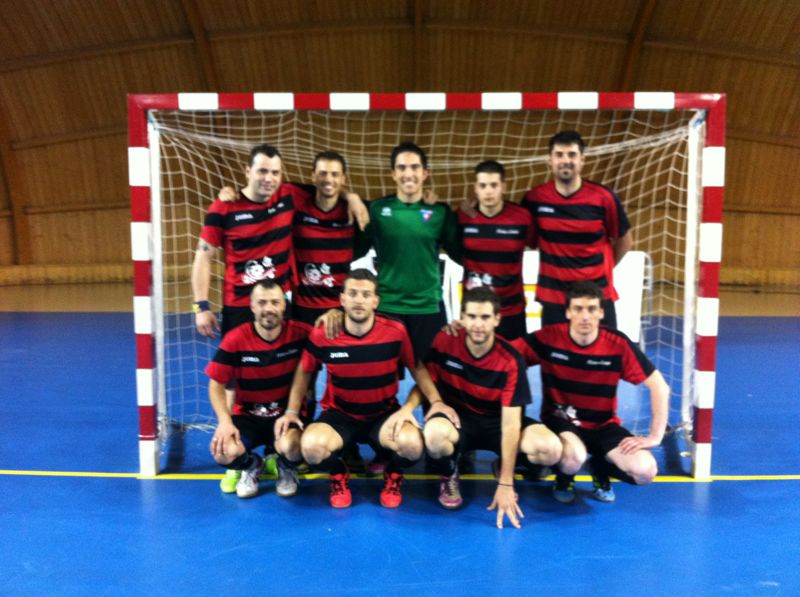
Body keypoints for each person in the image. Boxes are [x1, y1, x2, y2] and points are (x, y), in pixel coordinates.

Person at [274, 269, 444, 509]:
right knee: (311, 448)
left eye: (366, 295)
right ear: (342, 299)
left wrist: (436, 402)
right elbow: (304, 371)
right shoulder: (325, 332)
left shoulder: (395, 331)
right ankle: (338, 473)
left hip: (383, 415)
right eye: (353, 293)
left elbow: (417, 368)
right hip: (340, 415)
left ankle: (393, 473)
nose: (359, 300)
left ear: (376, 301)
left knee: (413, 445)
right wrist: (292, 411)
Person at [511, 281, 670, 504]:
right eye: (578, 309)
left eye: (592, 309)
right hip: (562, 422)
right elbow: (506, 355)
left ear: (601, 313)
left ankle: (599, 466)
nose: (585, 316)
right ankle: (565, 477)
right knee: (573, 457)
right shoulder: (548, 338)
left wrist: (655, 436)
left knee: (645, 471)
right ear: (568, 312)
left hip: (603, 426)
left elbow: (659, 386)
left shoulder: (617, 344)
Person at [192, 144, 368, 338]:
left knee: (287, 357)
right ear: (248, 171)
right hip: (240, 306)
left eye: (275, 172)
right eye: (262, 171)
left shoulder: (288, 195)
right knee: (238, 357)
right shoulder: (223, 208)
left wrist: (352, 196)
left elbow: (327, 187)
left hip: (278, 304)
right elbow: (203, 257)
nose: (269, 178)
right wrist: (201, 307)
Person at [421, 287, 561, 529]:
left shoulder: (511, 360)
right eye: (472, 316)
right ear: (462, 318)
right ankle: (449, 473)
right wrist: (433, 402)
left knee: (550, 449)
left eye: (485, 317)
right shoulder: (446, 340)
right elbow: (423, 371)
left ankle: (504, 466)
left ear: (497, 319)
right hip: (460, 420)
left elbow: (511, 425)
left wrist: (506, 482)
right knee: (433, 435)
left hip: (498, 422)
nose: (478, 324)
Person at [205, 280, 312, 499]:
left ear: (284, 305)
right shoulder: (236, 339)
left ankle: (285, 467)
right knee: (223, 452)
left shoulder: (301, 333)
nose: (269, 308)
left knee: (296, 448)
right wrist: (224, 422)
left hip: (284, 417)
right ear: (252, 306)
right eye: (262, 302)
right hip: (247, 416)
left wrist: (331, 317)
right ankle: (252, 465)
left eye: (275, 302)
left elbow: (330, 337)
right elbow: (215, 383)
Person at [523, 130, 633, 329]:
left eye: (572, 155)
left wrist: (601, 271)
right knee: (553, 351)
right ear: (549, 160)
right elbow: (526, 239)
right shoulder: (534, 199)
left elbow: (625, 241)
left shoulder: (604, 198)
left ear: (582, 160)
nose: (566, 160)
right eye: (559, 155)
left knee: (606, 349)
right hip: (554, 299)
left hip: (596, 298)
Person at [459, 160, 535, 340]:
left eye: (494, 185)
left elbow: (535, 243)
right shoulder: (462, 217)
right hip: (475, 311)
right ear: (475, 188)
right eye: (483, 185)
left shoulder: (522, 217)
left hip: (511, 310)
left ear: (504, 187)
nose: (488, 191)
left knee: (515, 357)